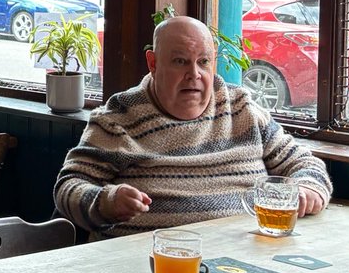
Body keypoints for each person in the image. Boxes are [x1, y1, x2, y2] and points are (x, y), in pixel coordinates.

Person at [55, 14, 331, 238]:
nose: (194, 74)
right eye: (180, 61)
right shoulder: (119, 118)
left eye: (203, 62)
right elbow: (68, 187)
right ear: (153, 63)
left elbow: (304, 164)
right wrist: (106, 202)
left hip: (247, 259)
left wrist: (308, 189)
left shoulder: (241, 108)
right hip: (149, 267)